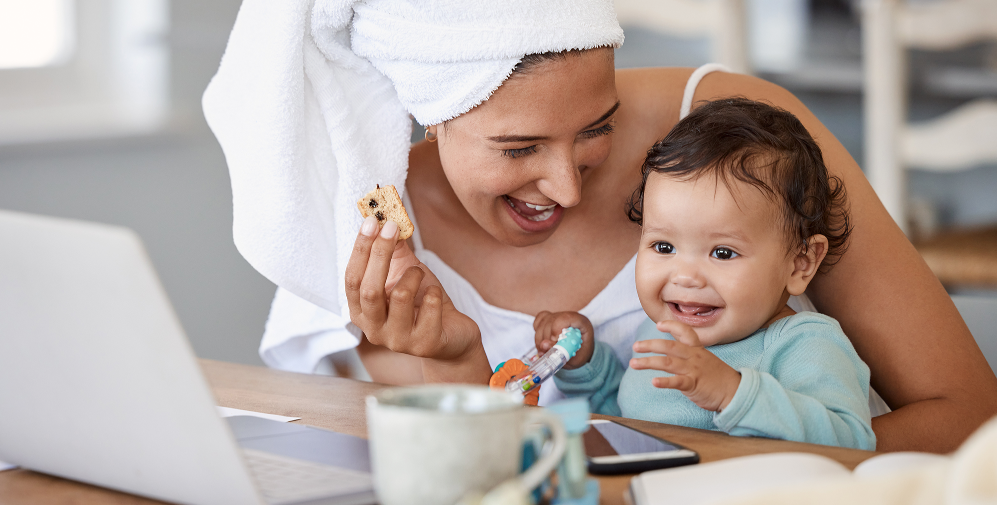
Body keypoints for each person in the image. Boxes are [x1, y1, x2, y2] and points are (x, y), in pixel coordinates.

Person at [204, 0, 997, 453]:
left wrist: (687, 460)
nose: (564, 186)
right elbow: (473, 472)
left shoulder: (741, 140)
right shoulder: (359, 233)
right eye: (518, 147)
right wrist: (451, 363)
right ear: (426, 117)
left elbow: (968, 416)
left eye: (599, 126)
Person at [533, 98, 875, 450]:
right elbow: (631, 424)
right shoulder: (661, 330)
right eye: (664, 247)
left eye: (723, 253)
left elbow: (852, 442)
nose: (685, 277)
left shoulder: (802, 344)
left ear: (800, 263)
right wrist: (585, 365)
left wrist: (733, 394)